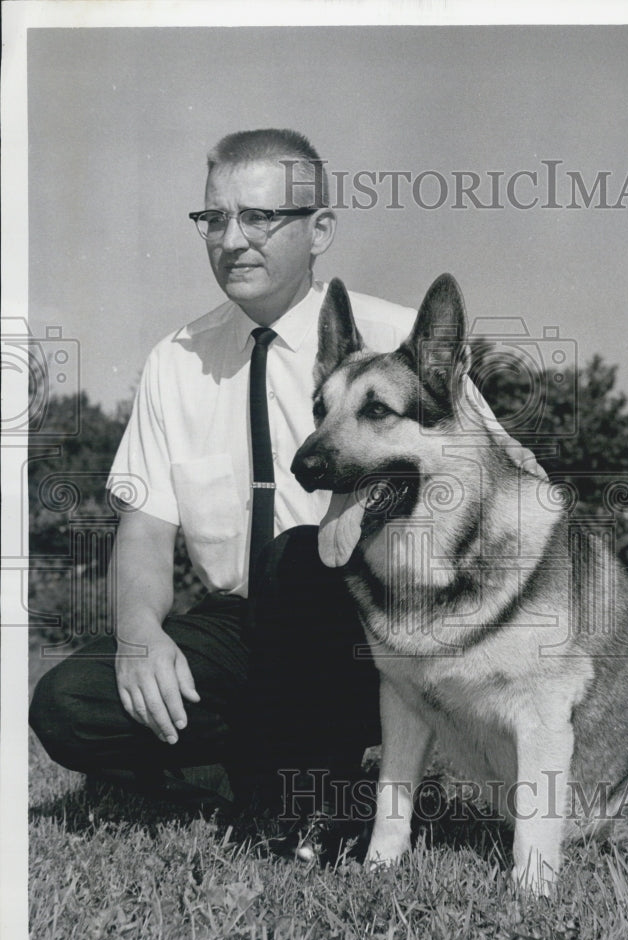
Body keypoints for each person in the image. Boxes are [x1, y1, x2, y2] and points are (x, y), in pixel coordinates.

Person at [29, 129, 418, 814]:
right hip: (243, 629)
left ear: (320, 228)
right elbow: (146, 529)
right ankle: (252, 774)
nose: (232, 239)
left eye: (260, 217)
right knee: (69, 705)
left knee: (296, 558)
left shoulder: (396, 339)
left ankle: (298, 787)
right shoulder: (176, 360)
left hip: (372, 628)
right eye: (215, 218)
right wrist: (139, 636)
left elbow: (502, 486)